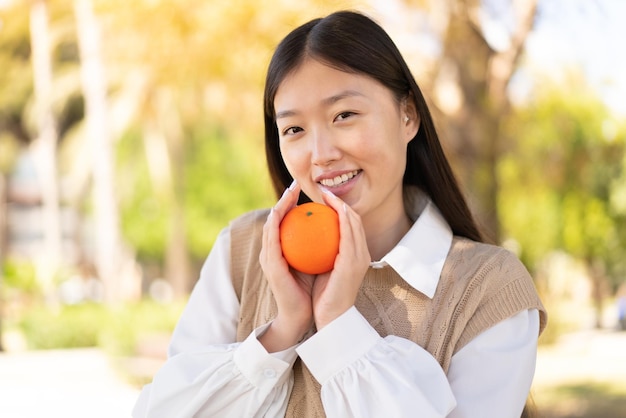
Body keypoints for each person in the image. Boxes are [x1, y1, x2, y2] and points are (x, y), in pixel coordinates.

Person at [132, 10, 547, 418]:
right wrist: (283, 330)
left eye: (344, 115)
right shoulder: (243, 251)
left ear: (408, 115)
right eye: (294, 129)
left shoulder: (488, 291)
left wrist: (339, 327)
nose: (322, 154)